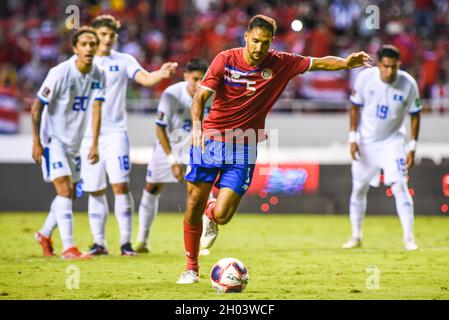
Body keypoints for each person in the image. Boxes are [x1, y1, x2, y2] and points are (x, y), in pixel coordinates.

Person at [176, 14, 372, 284]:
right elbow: (200, 97)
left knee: (221, 215)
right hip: (209, 140)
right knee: (192, 204)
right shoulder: (225, 59)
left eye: (265, 43)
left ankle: (211, 214)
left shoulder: (281, 63)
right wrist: (197, 127)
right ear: (246, 36)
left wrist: (346, 63)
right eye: (255, 41)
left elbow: (320, 64)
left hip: (244, 146)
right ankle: (191, 268)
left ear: (272, 42)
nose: (259, 48)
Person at [80, 15, 178, 256]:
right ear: (93, 35)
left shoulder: (123, 60)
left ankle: (125, 243)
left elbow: (144, 78)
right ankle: (99, 243)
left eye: (111, 35)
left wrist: (161, 74)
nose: (107, 39)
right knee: (94, 189)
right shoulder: (80, 63)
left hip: (115, 133)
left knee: (120, 186)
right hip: (86, 136)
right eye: (103, 34)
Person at [32, 26, 105, 259]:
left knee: (71, 193)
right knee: (64, 189)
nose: (89, 48)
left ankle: (44, 234)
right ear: (75, 48)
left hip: (74, 142)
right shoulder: (59, 72)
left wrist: (93, 143)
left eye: (92, 44)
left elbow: (96, 107)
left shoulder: (98, 74)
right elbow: (37, 106)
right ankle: (69, 248)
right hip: (53, 139)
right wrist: (36, 142)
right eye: (84, 44)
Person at [342, 44, 421, 251]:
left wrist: (412, 146)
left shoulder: (408, 83)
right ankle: (356, 236)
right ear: (378, 65)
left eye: (394, 67)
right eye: (385, 66)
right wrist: (353, 138)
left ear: (399, 64)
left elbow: (415, 114)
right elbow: (354, 107)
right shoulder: (365, 78)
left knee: (400, 187)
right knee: (359, 188)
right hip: (366, 143)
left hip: (392, 142)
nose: (389, 71)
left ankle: (409, 238)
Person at [135, 57, 210, 253]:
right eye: (195, 79)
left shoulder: (212, 95)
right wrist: (171, 160)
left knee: (196, 194)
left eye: (204, 79)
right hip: (168, 145)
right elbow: (160, 128)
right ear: (186, 77)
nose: (199, 84)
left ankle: (198, 242)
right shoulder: (171, 94)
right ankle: (142, 239)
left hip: (196, 148)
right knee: (152, 187)